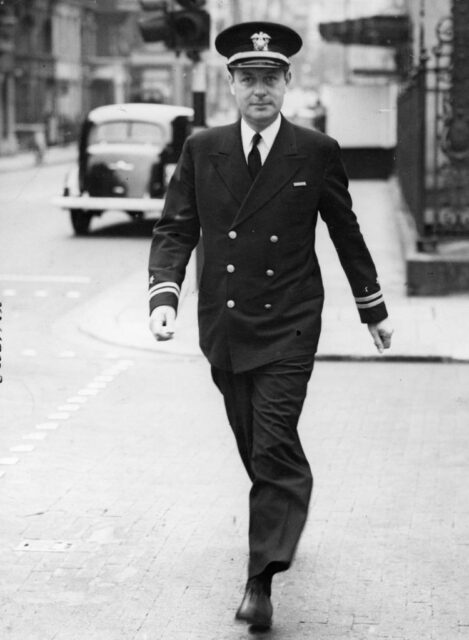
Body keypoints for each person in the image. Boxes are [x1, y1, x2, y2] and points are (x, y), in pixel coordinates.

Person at [148, 21, 393, 629]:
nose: (260, 89)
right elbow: (176, 227)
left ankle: (260, 580)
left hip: (289, 322)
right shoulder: (203, 149)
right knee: (254, 443)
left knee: (275, 439)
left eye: (270, 78)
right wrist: (166, 294)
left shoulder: (315, 151)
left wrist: (373, 308)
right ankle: (280, 516)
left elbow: (346, 231)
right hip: (225, 325)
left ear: (288, 82)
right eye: (248, 78)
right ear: (231, 84)